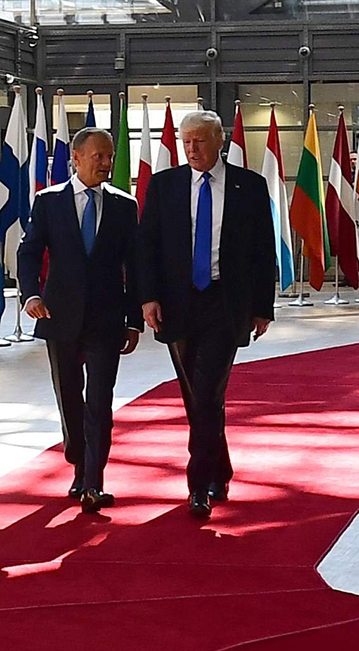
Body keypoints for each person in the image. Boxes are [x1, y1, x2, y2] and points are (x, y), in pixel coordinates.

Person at [135, 108, 275, 517]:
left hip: (224, 301)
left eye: (199, 141)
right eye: (186, 142)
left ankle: (198, 486)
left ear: (220, 143)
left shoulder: (249, 186)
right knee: (198, 396)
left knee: (208, 389)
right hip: (177, 303)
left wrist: (262, 307)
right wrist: (147, 298)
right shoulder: (165, 186)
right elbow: (147, 247)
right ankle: (221, 468)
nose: (192, 149)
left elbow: (262, 251)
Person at [16, 127, 141, 513]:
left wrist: (133, 319)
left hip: (107, 319)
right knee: (70, 397)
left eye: (110, 156)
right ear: (76, 157)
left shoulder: (125, 205)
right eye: (98, 156)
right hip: (60, 316)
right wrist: (30, 294)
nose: (106, 163)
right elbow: (29, 252)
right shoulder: (48, 202)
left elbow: (134, 266)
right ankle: (78, 459)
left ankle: (93, 481)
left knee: (100, 401)